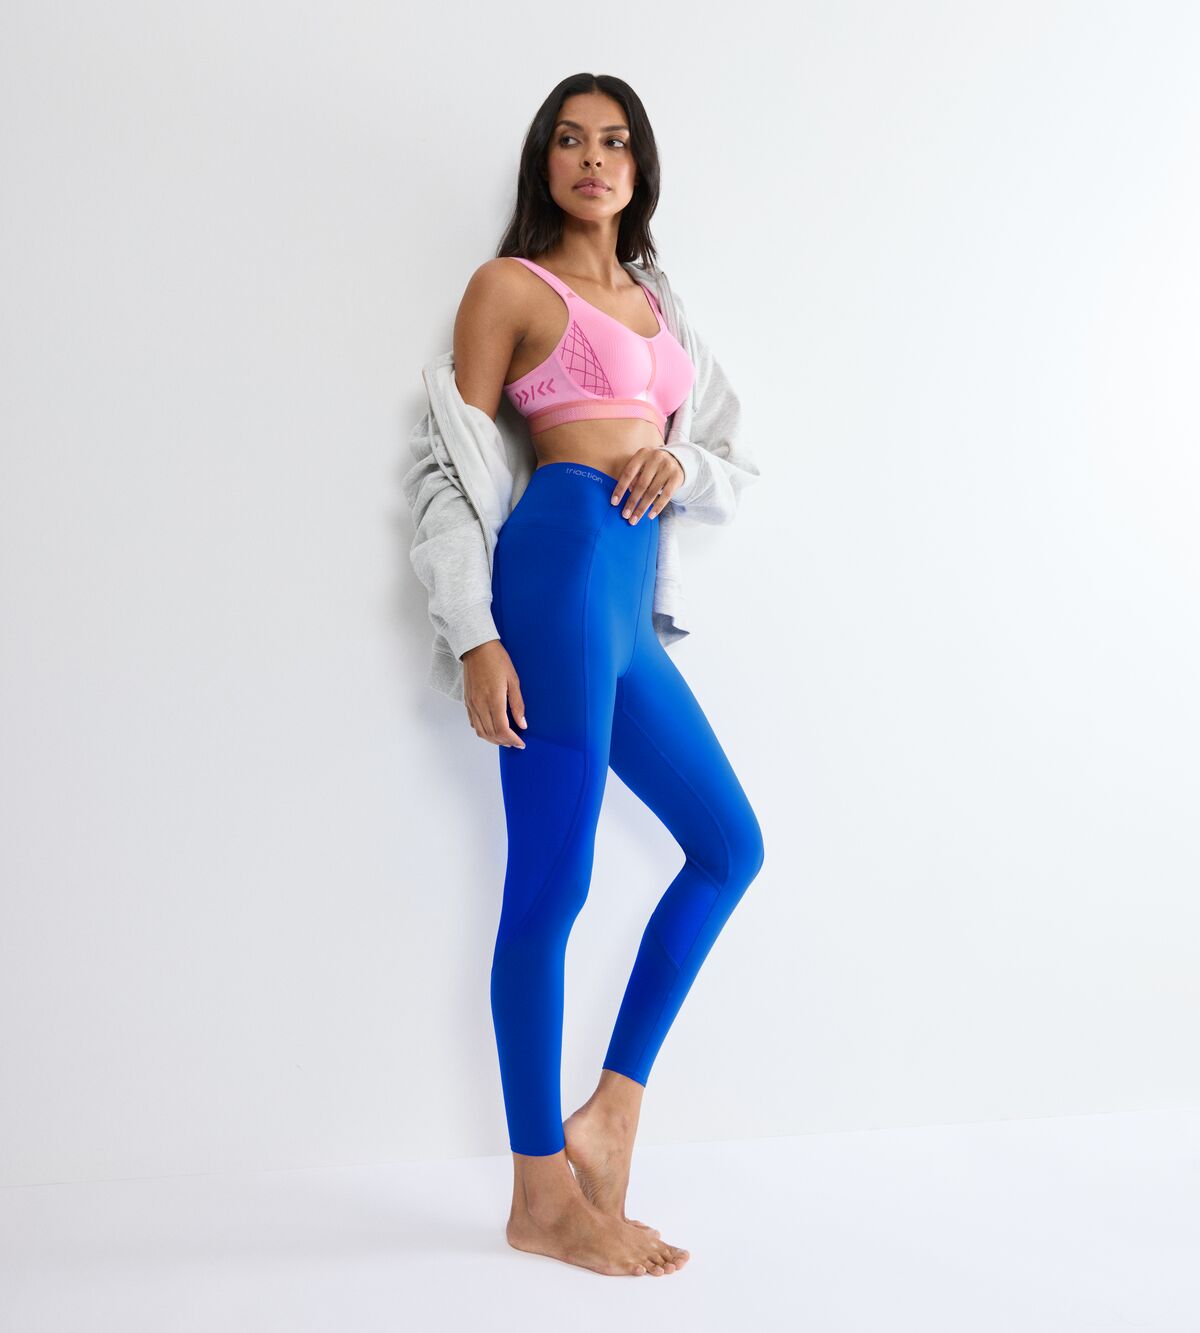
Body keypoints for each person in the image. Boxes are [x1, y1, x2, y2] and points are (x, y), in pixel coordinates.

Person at [407, 74, 765, 1278]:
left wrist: (682, 467)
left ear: (639, 168)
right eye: (569, 141)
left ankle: (610, 1113)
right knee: (550, 885)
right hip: (557, 573)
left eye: (614, 142)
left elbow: (729, 456)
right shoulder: (510, 288)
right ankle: (537, 1195)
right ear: (544, 163)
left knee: (729, 845)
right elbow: (447, 469)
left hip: (628, 607)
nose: (592, 159)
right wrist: (475, 635)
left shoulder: (662, 309)